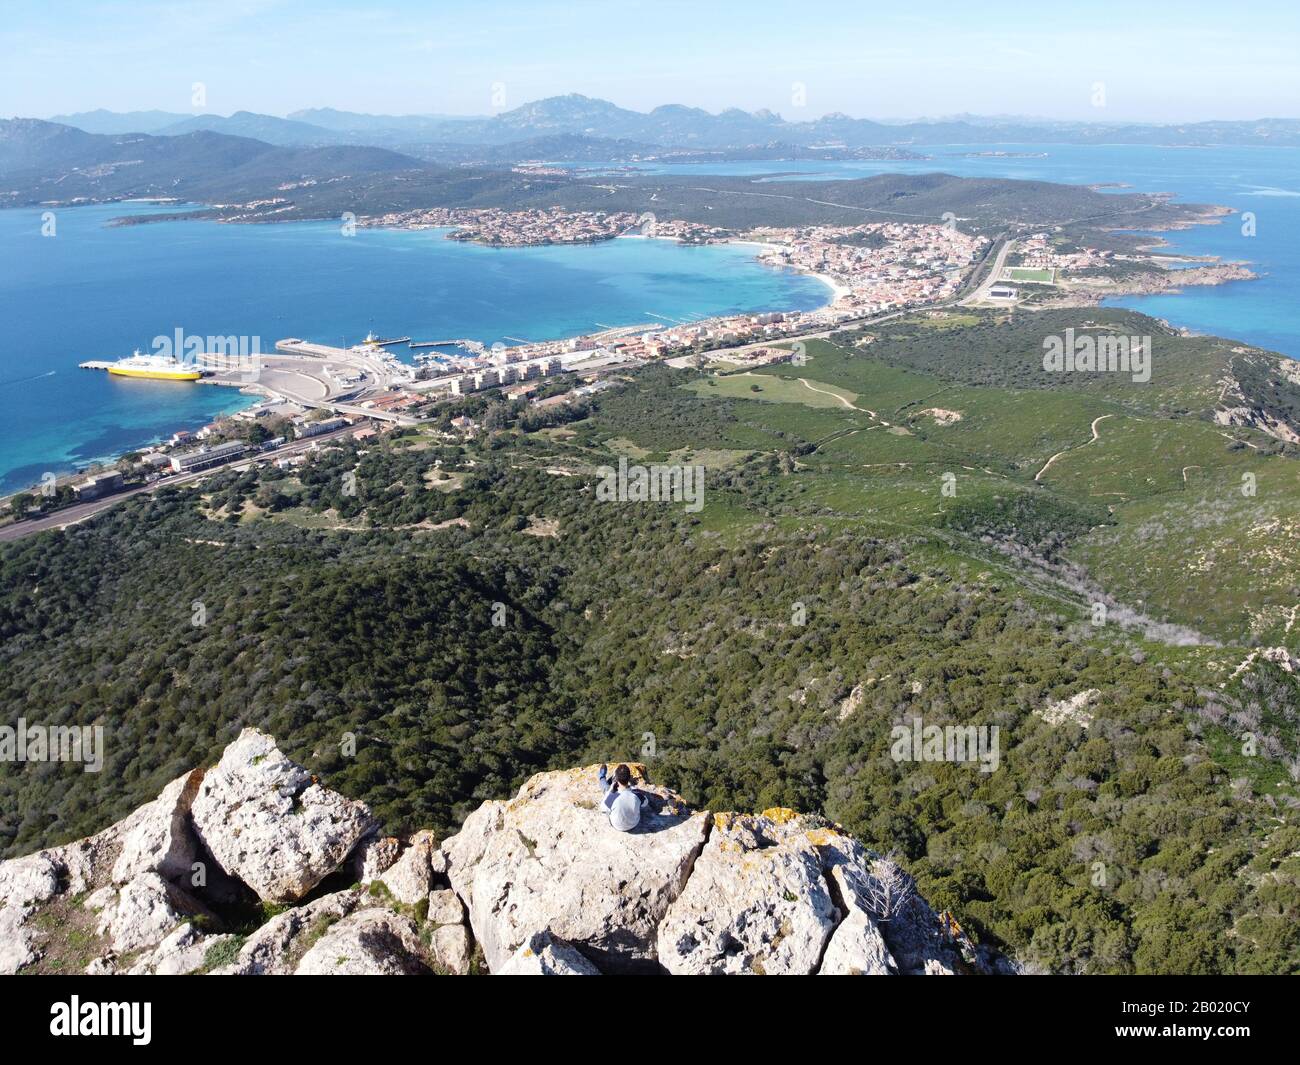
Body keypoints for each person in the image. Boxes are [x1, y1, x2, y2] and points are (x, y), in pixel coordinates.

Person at [598, 763, 648, 832]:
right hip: (634, 823)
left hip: (618, 826)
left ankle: (601, 776)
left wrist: (611, 791)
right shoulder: (637, 794)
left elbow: (603, 809)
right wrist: (634, 789)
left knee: (606, 788)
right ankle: (614, 777)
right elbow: (645, 803)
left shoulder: (612, 796)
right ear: (629, 778)